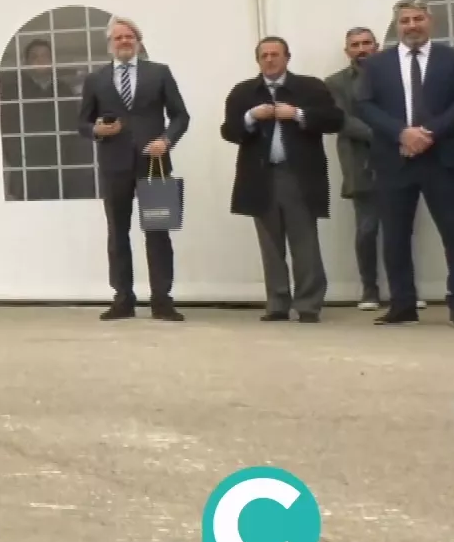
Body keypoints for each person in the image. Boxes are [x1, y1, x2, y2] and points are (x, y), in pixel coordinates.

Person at [351, 0, 454, 328]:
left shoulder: (453, 59)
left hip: (444, 157)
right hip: (395, 158)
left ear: (429, 21)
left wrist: (429, 132)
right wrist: (402, 133)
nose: (412, 26)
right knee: (394, 235)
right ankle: (402, 304)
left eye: (417, 19)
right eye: (405, 20)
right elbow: (364, 105)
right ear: (397, 26)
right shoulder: (377, 64)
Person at [218, 37, 344, 322]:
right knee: (270, 244)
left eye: (276, 54)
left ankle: (309, 305)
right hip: (260, 176)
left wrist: (298, 114)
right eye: (264, 55)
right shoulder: (244, 92)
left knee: (305, 242)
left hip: (298, 175)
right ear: (258, 60)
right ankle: (277, 303)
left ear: (287, 57)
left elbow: (335, 120)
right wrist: (250, 116)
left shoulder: (310, 87)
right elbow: (228, 131)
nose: (270, 60)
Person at [77, 17, 190, 321]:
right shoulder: (96, 79)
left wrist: (167, 140)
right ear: (110, 44)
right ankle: (123, 298)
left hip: (154, 163)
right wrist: (98, 130)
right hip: (114, 165)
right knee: (118, 233)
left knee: (158, 231)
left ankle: (162, 300)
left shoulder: (160, 73)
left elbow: (181, 116)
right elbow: (82, 124)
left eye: (129, 37)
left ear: (138, 42)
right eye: (118, 37)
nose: (124, 42)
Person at [326, 27, 385, 309]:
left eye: (366, 43)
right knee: (367, 229)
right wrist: (388, 134)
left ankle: (403, 289)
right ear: (347, 50)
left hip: (401, 159)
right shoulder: (335, 82)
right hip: (360, 162)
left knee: (401, 228)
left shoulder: (395, 75)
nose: (361, 49)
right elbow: (342, 120)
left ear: (377, 46)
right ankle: (369, 290)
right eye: (355, 45)